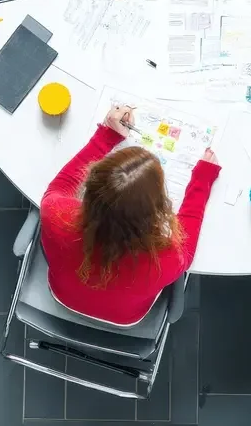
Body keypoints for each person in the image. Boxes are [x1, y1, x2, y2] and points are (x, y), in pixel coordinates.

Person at [40, 104, 221, 324]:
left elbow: (60, 187)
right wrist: (201, 182)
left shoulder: (55, 214)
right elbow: (186, 250)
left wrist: (106, 137)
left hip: (62, 294)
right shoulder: (164, 258)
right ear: (158, 211)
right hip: (125, 318)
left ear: (91, 184)